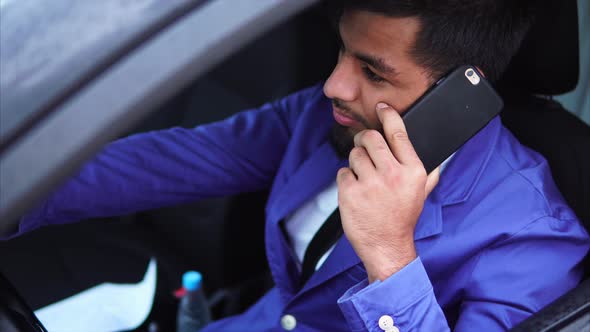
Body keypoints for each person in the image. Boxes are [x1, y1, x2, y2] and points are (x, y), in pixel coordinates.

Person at [7, 0, 589, 331]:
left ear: (464, 89)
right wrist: (17, 183)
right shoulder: (327, 119)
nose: (334, 84)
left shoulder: (534, 238)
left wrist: (391, 257)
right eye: (341, 50)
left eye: (373, 71)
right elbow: (157, 165)